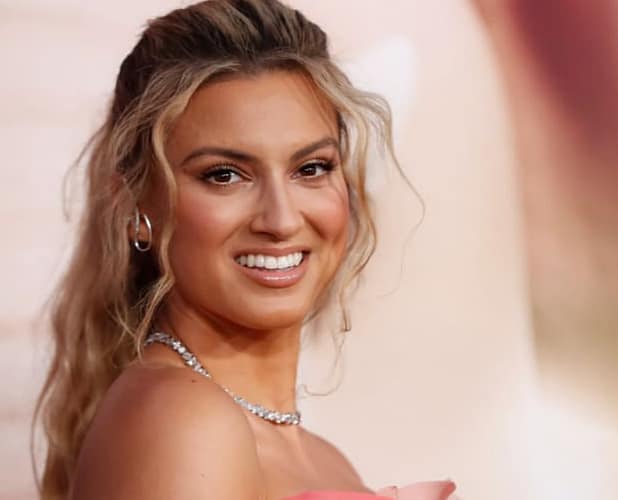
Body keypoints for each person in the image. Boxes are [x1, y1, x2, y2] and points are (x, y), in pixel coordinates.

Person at [33, 1, 456, 499]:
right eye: (224, 175)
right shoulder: (185, 424)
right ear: (134, 204)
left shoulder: (318, 456)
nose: (281, 220)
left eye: (311, 168)